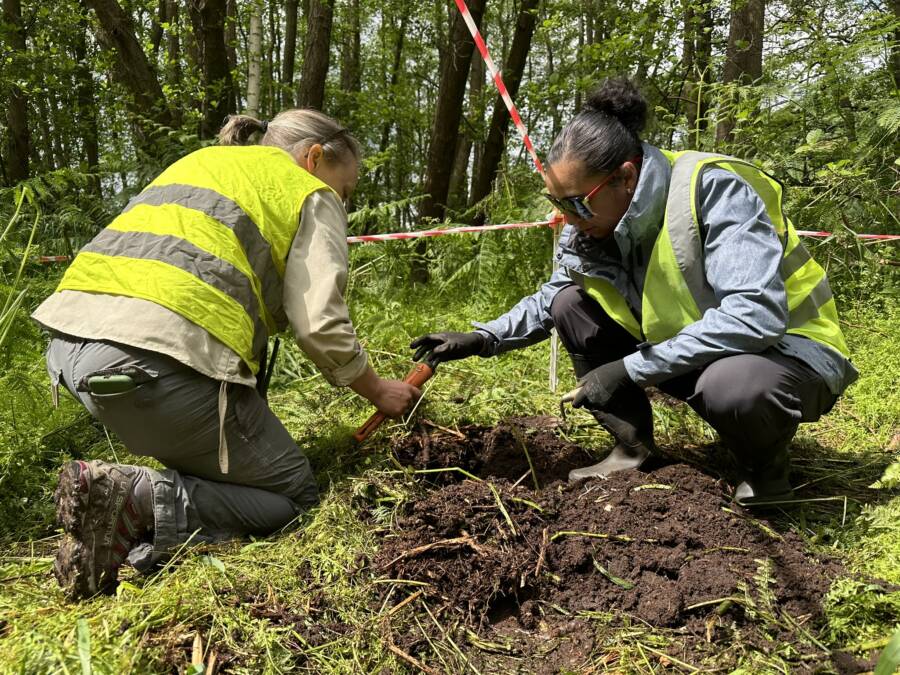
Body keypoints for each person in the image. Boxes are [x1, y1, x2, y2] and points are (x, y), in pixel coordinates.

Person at [411, 79, 857, 505]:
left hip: (788, 354)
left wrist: (630, 368)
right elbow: (555, 295)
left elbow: (754, 315)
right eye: (557, 203)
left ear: (626, 176)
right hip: (694, 349)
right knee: (572, 304)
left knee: (734, 387)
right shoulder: (589, 224)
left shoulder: (712, 189)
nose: (567, 216)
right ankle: (632, 449)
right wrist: (484, 338)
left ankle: (765, 471)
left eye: (576, 202)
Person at [34, 109, 421, 598]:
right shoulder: (307, 191)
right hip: (149, 365)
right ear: (315, 157)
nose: (343, 200)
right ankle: (136, 498)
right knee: (292, 494)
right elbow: (320, 326)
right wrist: (378, 389)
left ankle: (116, 529)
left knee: (222, 459)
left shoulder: (203, 163)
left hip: (71, 351)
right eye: (346, 189)